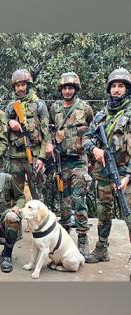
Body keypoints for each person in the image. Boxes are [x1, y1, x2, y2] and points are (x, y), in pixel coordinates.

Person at [83, 68, 131, 263]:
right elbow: (86, 138)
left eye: (121, 86)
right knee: (104, 212)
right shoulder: (102, 115)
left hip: (125, 174)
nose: (117, 90)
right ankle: (102, 249)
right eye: (114, 86)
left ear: (127, 90)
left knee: (129, 215)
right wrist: (95, 149)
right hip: (104, 173)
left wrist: (129, 175)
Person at [46, 72, 93, 255]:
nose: (67, 91)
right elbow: (48, 129)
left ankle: (82, 239)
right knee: (63, 200)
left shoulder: (85, 108)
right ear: (61, 90)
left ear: (76, 89)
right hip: (62, 161)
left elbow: (92, 132)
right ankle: (64, 237)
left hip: (79, 161)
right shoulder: (55, 109)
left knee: (79, 199)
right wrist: (50, 142)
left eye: (70, 88)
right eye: (64, 88)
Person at [5, 69, 50, 200]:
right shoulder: (10, 107)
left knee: (37, 195)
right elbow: (2, 128)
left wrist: (42, 158)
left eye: (23, 85)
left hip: (34, 156)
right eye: (17, 85)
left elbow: (46, 134)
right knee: (17, 195)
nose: (20, 88)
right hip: (15, 157)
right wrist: (10, 122)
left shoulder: (39, 105)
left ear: (28, 85)